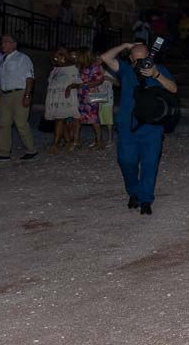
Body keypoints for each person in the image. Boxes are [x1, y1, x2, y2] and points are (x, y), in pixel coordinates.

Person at [100, 40, 177, 215]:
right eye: (136, 60)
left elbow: (173, 89)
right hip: (127, 126)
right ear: (130, 59)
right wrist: (124, 45)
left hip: (152, 127)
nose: (140, 64)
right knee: (127, 162)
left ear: (150, 55)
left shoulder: (158, 68)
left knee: (150, 164)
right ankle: (134, 192)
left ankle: (146, 200)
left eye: (143, 59)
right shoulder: (126, 70)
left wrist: (156, 74)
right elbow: (105, 57)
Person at [0, 34, 38, 161]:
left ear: (14, 44)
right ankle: (3, 153)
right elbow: (2, 79)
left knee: (21, 123)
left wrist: (27, 95)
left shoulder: (23, 58)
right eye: (2, 42)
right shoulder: (2, 59)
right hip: (5, 94)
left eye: (6, 42)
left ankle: (31, 150)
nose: (3, 44)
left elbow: (30, 77)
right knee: (3, 124)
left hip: (19, 93)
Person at [44, 47, 81, 154]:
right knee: (59, 120)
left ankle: (55, 144)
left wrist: (70, 87)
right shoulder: (55, 69)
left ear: (64, 56)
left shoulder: (72, 68)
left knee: (60, 119)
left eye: (57, 57)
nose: (55, 59)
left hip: (65, 97)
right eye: (54, 58)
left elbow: (78, 82)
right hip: (54, 97)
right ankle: (68, 141)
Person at [72, 49, 108, 149]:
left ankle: (100, 142)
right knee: (79, 117)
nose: (77, 57)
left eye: (79, 55)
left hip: (92, 94)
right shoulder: (81, 66)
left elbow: (100, 80)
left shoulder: (94, 66)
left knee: (94, 119)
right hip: (82, 94)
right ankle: (77, 141)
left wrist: (85, 84)